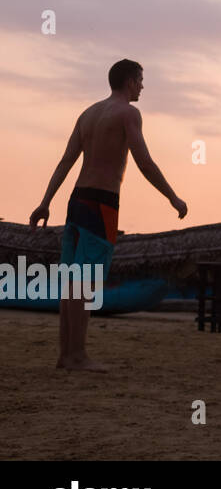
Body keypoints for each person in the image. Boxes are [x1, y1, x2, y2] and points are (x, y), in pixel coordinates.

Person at [29, 59, 187, 370]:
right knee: (84, 283)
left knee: (72, 283)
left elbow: (65, 162)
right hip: (101, 204)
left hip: (76, 202)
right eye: (141, 80)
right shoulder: (129, 113)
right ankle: (78, 356)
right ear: (130, 81)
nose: (142, 86)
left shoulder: (88, 114)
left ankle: (67, 354)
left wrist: (45, 202)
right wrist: (173, 196)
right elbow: (145, 162)